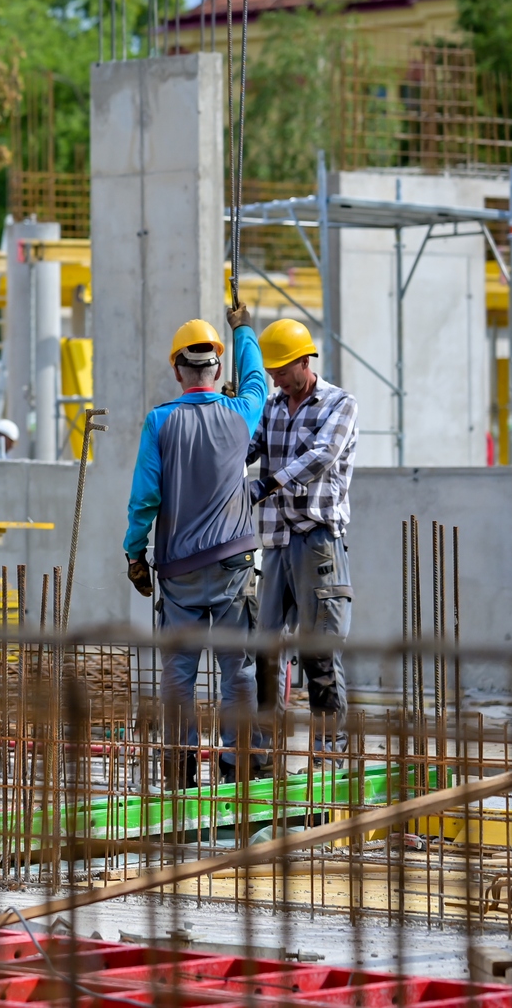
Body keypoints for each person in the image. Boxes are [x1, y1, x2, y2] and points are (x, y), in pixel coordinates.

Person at [124, 307, 265, 788]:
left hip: (179, 571)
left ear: (176, 370)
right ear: (217, 370)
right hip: (233, 565)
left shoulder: (160, 423)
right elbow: (258, 381)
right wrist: (243, 328)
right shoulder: (241, 413)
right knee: (239, 672)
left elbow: (145, 497)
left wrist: (134, 554)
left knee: (179, 677)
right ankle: (237, 769)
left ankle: (180, 774)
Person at [248, 318, 358, 766]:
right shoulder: (273, 406)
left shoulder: (339, 404)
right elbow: (247, 447)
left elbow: (322, 457)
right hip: (275, 541)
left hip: (316, 541)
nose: (277, 380)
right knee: (266, 650)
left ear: (304, 360)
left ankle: (328, 757)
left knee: (319, 652)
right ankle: (263, 755)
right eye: (271, 374)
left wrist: (268, 483)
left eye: (281, 371)